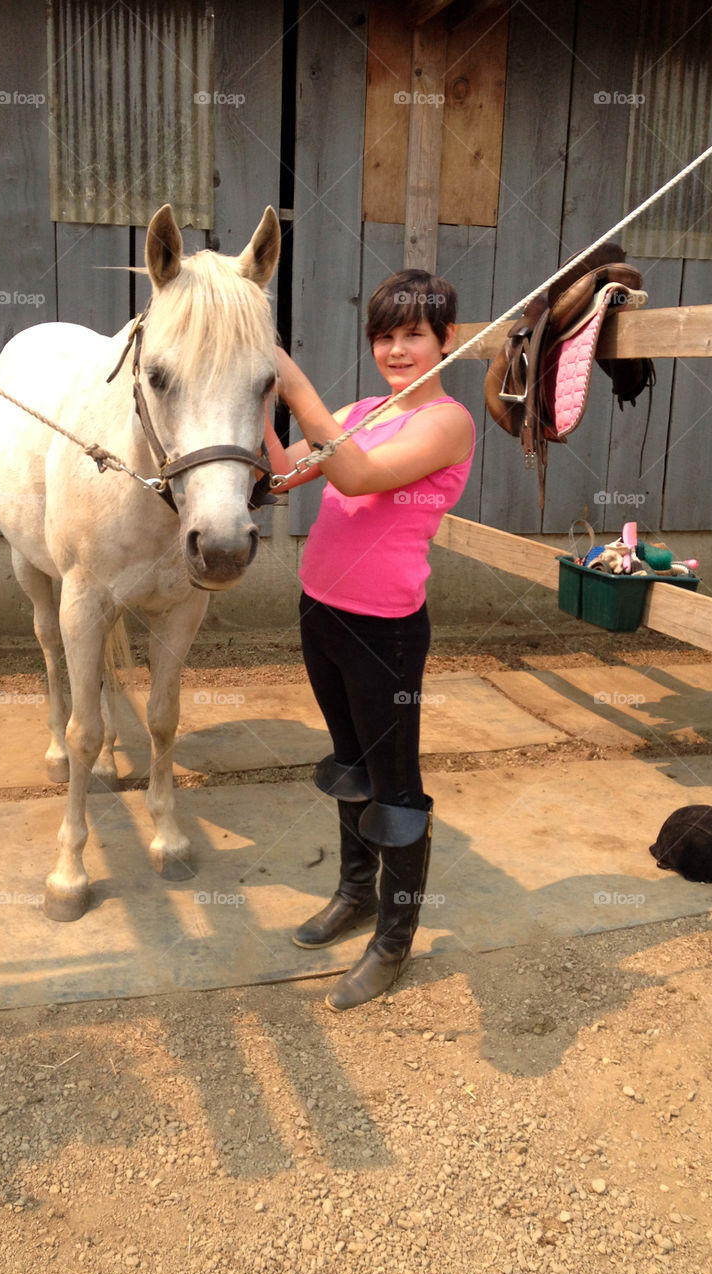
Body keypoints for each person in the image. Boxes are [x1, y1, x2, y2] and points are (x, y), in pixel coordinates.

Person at [264, 269, 474, 1011]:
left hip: (383, 629)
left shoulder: (447, 421)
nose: (396, 348)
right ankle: (354, 891)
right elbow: (286, 473)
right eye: (384, 335)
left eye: (413, 333)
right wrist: (256, 398)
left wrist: (291, 381)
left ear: (445, 339)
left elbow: (353, 477)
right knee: (347, 764)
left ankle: (393, 939)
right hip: (319, 610)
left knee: (395, 786)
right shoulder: (359, 408)